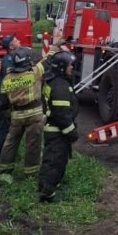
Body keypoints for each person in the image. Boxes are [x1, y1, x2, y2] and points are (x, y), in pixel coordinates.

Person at [0, 44, 57, 175]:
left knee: (11, 142)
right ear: (27, 60)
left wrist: (9, 116)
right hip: (34, 115)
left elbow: (3, 102)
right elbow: (47, 62)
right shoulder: (34, 72)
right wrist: (54, 48)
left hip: (16, 115)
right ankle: (31, 172)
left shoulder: (7, 79)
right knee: (33, 144)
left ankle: (4, 169)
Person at [39, 50, 79, 202]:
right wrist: (72, 133)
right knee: (54, 162)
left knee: (56, 161)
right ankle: (47, 192)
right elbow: (62, 115)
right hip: (58, 132)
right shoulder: (60, 86)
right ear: (62, 67)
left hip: (55, 130)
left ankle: (50, 185)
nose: (72, 68)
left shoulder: (55, 80)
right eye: (70, 65)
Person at [0, 35, 18, 163]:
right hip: (5, 101)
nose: (19, 41)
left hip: (5, 100)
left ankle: (4, 156)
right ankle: (0, 158)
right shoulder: (8, 60)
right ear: (11, 47)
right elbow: (9, 83)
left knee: (7, 129)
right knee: (5, 129)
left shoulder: (11, 58)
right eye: (16, 40)